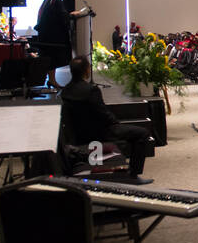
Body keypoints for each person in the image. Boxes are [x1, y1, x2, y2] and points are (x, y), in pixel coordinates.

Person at [60, 55, 154, 184]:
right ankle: (133, 175)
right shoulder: (91, 90)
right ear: (86, 70)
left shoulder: (65, 91)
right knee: (142, 133)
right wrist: (115, 122)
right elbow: (102, 113)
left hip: (78, 134)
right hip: (101, 132)